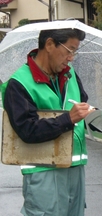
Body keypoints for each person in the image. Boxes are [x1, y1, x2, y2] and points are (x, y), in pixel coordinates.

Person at [1, 28, 93, 216]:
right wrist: (68, 119)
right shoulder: (19, 83)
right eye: (69, 50)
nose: (71, 58)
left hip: (75, 170)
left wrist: (100, 116)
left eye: (75, 52)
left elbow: (83, 104)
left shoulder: (70, 75)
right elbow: (27, 129)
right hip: (43, 172)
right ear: (50, 44)